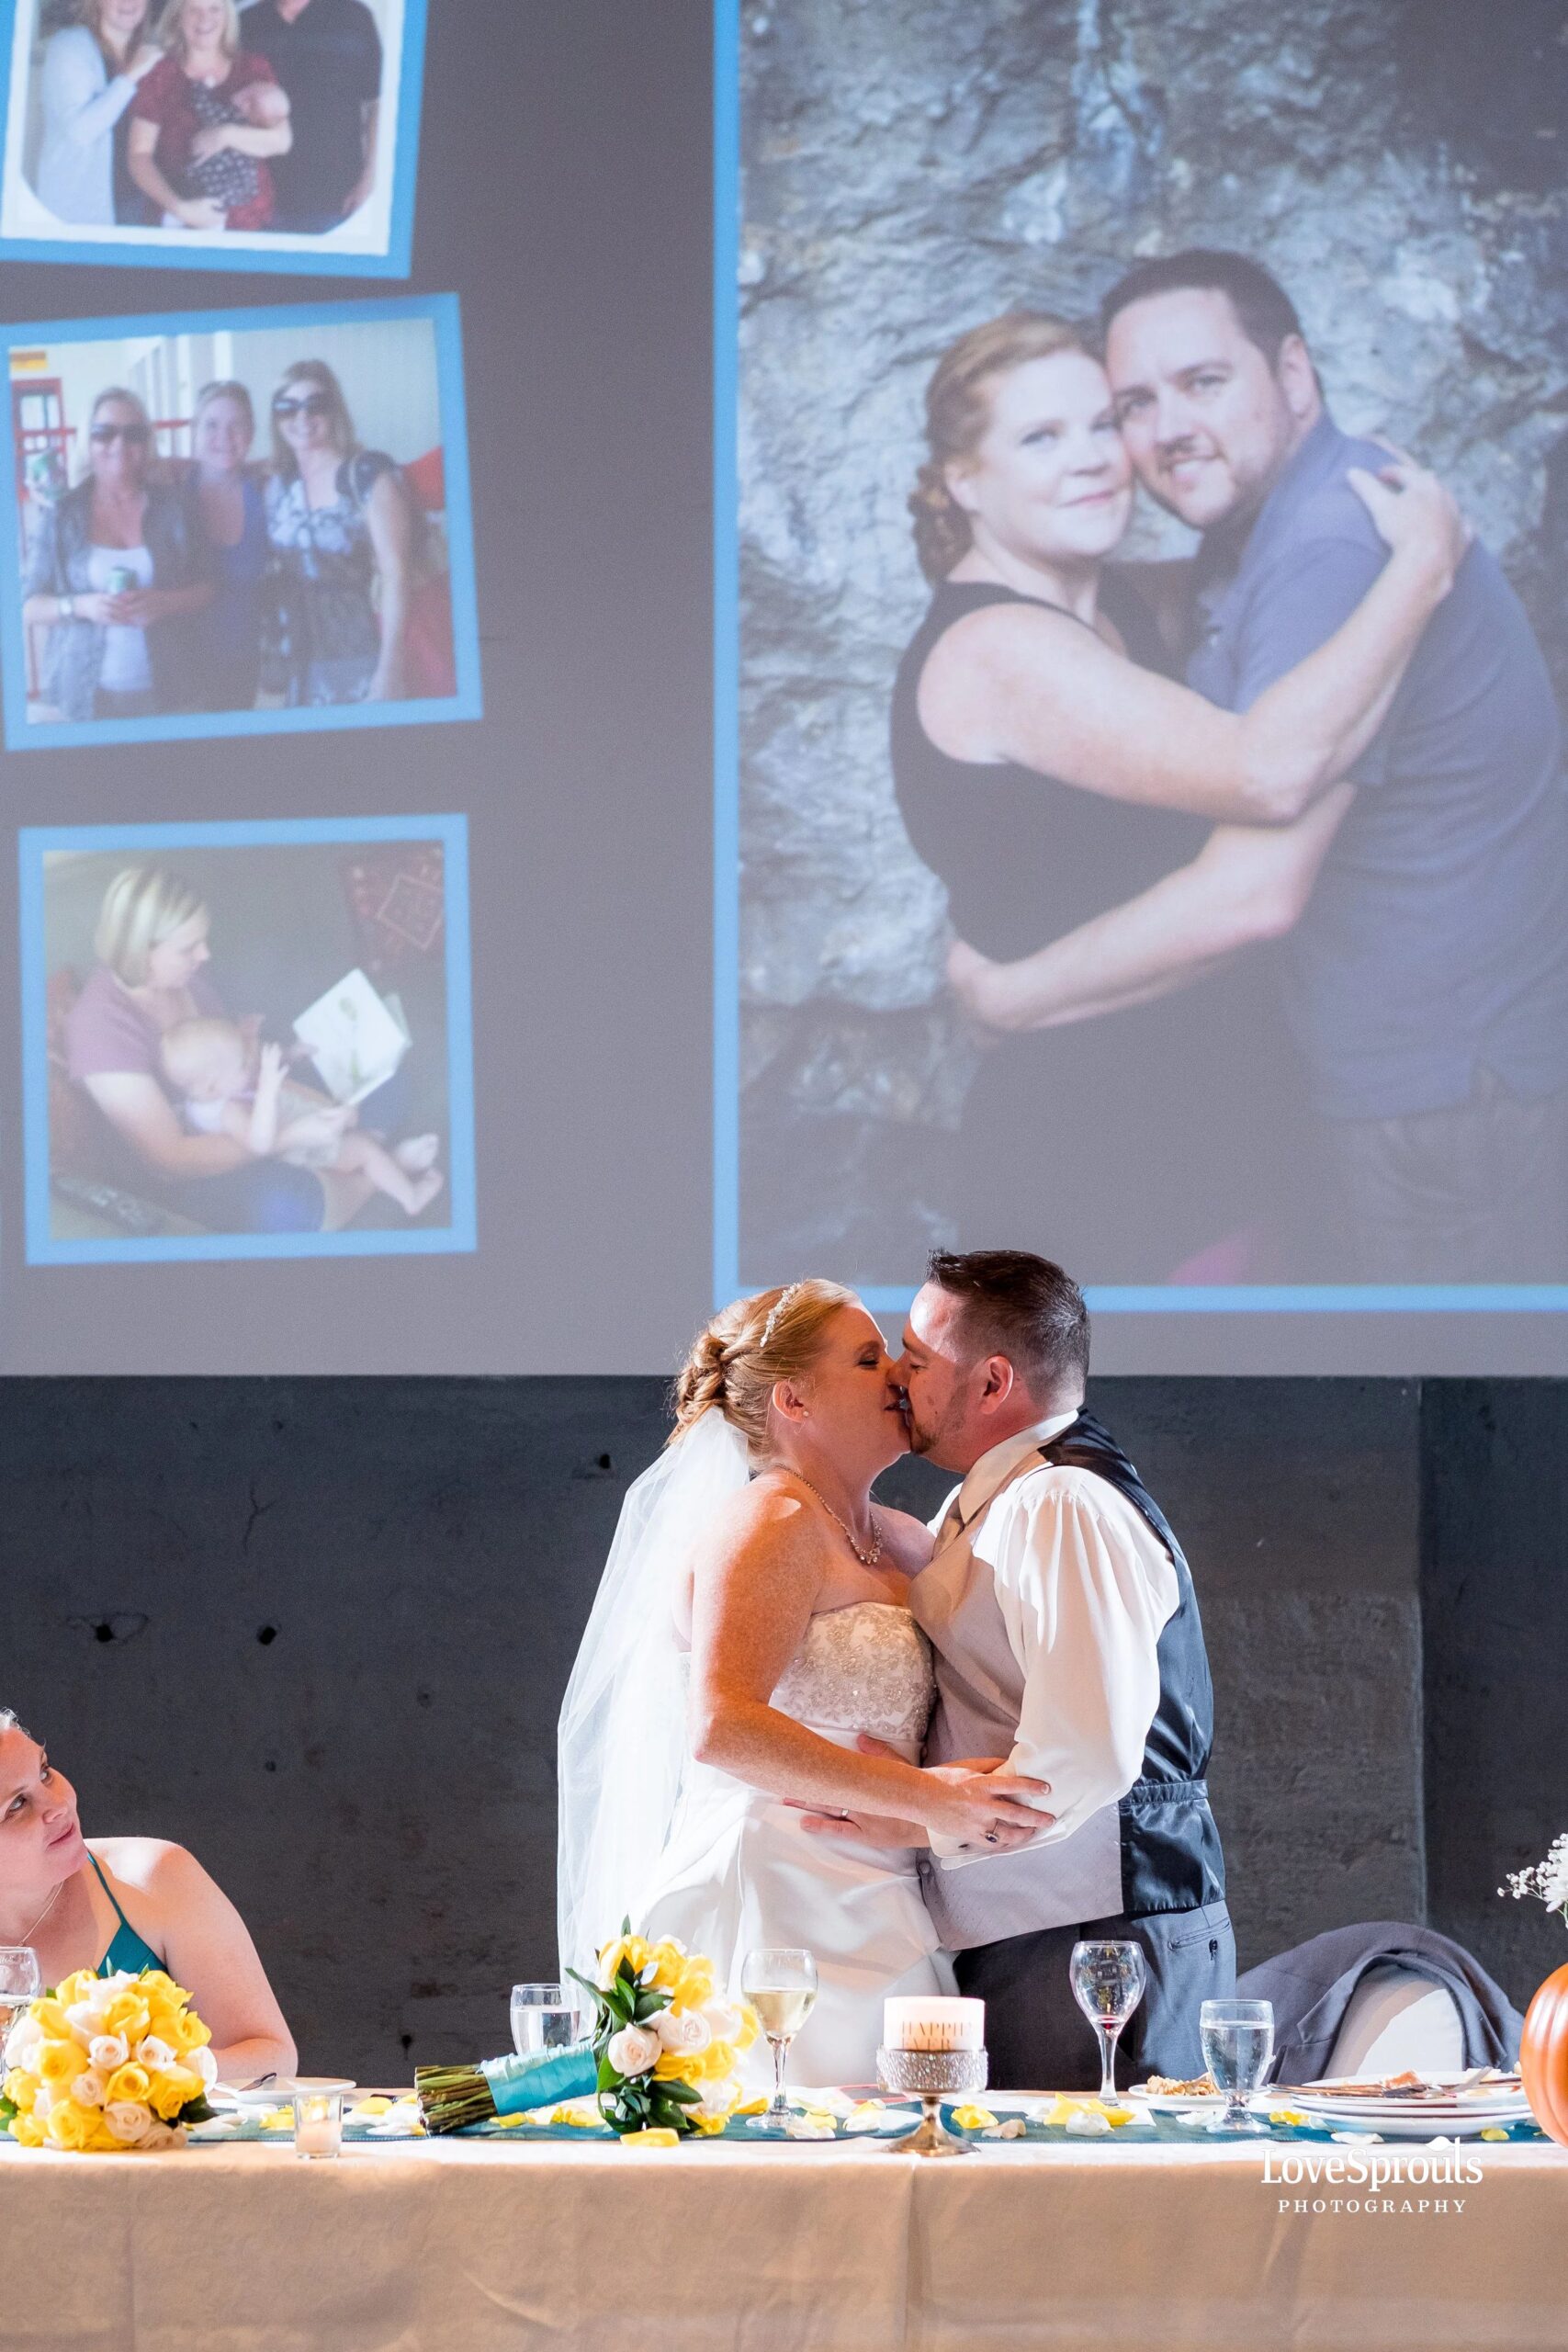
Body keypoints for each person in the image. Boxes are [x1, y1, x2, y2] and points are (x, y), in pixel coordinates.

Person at [891, 312, 1469, 1280]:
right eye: (1041, 437)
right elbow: (1266, 771)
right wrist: (1420, 568)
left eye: (1103, 423)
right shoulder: (998, 648)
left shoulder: (1113, 600)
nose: (1092, 458)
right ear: (964, 480)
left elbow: (1260, 572)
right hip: (1092, 1147)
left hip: (1205, 1113)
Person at [1066, 249, 1568, 1281]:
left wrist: (1012, 996)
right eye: (1135, 404)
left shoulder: (1333, 543)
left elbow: (1256, 886)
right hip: (1426, 1071)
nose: (1168, 427)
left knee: (1443, 1379)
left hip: (1444, 1099)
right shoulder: (1276, 518)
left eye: (1204, 381)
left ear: (1293, 373)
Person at [557, 1279, 1055, 2086]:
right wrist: (929, 1799)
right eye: (865, 1359)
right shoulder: (771, 1521)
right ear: (793, 1399)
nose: (898, 1373)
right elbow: (722, 1727)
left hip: (886, 1889)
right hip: (777, 1891)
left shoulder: (903, 1538)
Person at [804, 1250, 1230, 2091]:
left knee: (1086, 2174)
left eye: (916, 1358)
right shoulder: (1000, 1496)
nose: (896, 1377)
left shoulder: (1060, 1502)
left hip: (1093, 1942)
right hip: (1035, 1926)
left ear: (993, 1382)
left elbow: (1085, 1754)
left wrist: (919, 1818)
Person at [62, 864, 387, 1235]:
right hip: (199, 1167)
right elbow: (171, 1159)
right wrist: (285, 1135)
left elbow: (234, 1066)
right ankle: (370, 1173)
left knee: (381, 1079)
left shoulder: (185, 976)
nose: (205, 954)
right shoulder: (100, 1028)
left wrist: (285, 1064)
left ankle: (345, 1160)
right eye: (188, 948)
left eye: (203, 941)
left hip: (249, 1107)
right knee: (284, 1207)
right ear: (142, 951)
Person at [0, 1705, 296, 2082]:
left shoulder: (155, 1876)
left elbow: (274, 2058)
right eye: (17, 1805)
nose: (58, 1805)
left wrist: (150, 2073)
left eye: (45, 1772)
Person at [21, 387, 211, 723]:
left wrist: (165, 603)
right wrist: (82, 606)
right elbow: (27, 605)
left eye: (133, 434)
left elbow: (210, 585)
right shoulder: (61, 513)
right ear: (88, 442)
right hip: (84, 695)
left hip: (171, 688)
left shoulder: (176, 506)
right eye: (104, 433)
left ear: (147, 442)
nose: (119, 444)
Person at [161, 1016, 445, 1218]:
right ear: (212, 1087)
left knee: (366, 1097)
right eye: (242, 1064)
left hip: (298, 1127)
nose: (250, 1063)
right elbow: (260, 1144)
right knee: (366, 1151)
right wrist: (268, 1090)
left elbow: (246, 1072)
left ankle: (369, 1157)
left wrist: (289, 1053)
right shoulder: (229, 1111)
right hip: (298, 1152)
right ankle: (410, 1197)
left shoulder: (213, 1090)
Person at [265, 359, 421, 707]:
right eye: (287, 407)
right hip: (301, 663)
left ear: (335, 410)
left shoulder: (366, 474)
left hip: (364, 656)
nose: (302, 417)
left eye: (315, 405)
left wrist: (390, 669)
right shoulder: (279, 485)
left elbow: (397, 574)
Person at [127, 0, 290, 233]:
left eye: (214, 8)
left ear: (228, 16)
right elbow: (138, 155)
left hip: (251, 224)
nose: (205, 19)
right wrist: (180, 208)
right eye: (194, 10)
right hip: (178, 223)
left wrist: (225, 135)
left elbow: (282, 141)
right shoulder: (160, 72)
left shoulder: (253, 67)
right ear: (178, 17)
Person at [241, 0, 383, 235]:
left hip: (336, 199)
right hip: (258, 201)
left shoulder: (355, 17)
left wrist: (369, 177)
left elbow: (376, 103)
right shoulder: (247, 22)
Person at [178, 379, 272, 711]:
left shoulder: (266, 491)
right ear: (194, 431)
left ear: (252, 433)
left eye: (237, 426)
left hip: (243, 661)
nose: (224, 437)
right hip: (177, 664)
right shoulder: (170, 492)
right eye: (212, 425)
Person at [33, 0, 163, 227]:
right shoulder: (70, 46)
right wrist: (130, 76)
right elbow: (80, 132)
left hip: (135, 203)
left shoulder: (147, 51)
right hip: (78, 212)